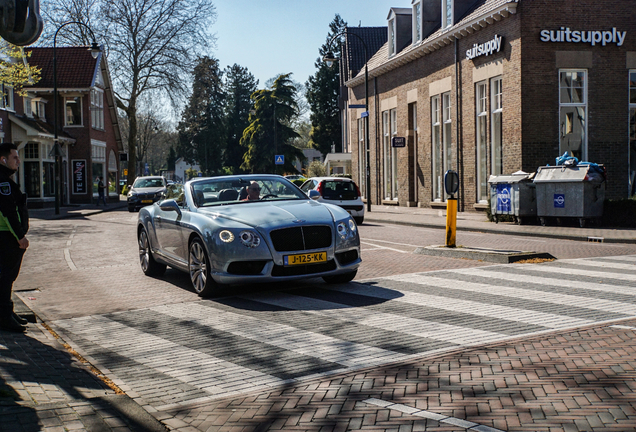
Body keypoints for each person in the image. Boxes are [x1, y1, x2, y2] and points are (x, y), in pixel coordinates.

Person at [0, 143, 29, 332]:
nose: (18, 161)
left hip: (7, 236)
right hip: (7, 237)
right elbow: (8, 211)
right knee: (5, 277)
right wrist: (19, 236)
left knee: (7, 277)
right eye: (14, 158)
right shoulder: (3, 182)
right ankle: (4, 317)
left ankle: (7, 313)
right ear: (3, 160)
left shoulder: (5, 179)